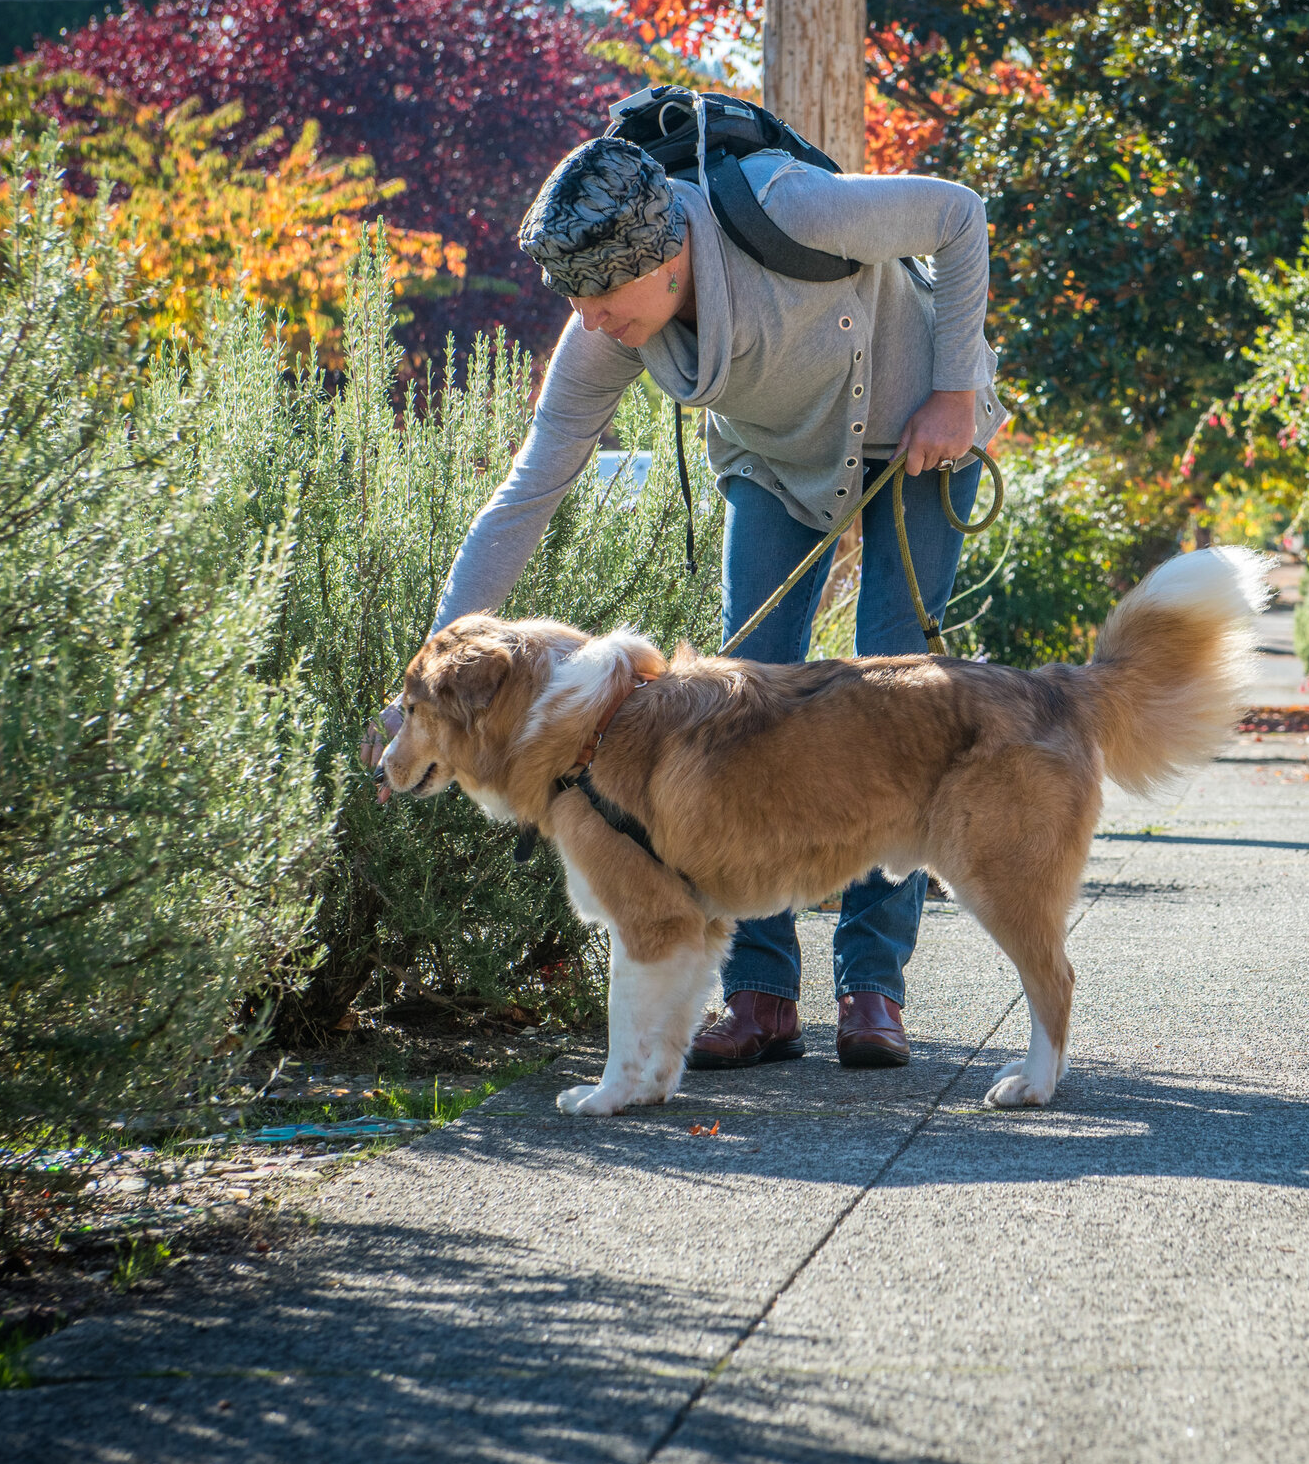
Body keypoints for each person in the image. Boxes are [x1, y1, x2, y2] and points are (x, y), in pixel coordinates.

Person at [427, 133, 1004, 1071]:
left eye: (602, 301)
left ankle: (873, 986)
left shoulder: (787, 205)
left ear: (664, 258)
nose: (590, 321)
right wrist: (434, 652)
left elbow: (957, 213)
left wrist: (951, 391)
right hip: (776, 468)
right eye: (575, 301)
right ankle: (763, 996)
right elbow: (532, 486)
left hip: (917, 436)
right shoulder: (608, 327)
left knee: (902, 705)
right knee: (739, 714)